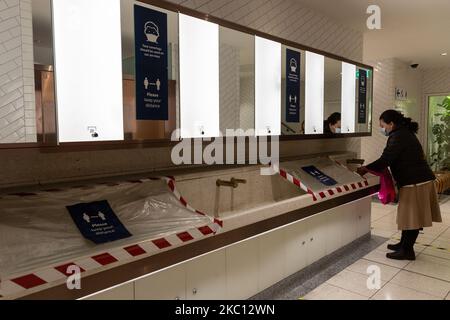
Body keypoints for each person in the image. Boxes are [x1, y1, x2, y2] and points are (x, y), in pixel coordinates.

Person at [357, 110, 442, 260]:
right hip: (415, 181)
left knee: (413, 217)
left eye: (382, 125)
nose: (382, 128)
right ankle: (403, 245)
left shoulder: (398, 136)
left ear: (391, 123)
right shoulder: (403, 133)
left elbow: (385, 159)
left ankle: (407, 251)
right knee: (408, 216)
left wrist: (365, 168)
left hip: (416, 182)